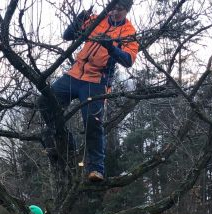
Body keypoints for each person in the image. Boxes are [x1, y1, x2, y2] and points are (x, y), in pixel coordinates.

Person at [39, 0, 138, 182]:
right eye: (113, 7)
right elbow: (67, 35)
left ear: (127, 10)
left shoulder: (128, 32)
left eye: (120, 9)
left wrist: (111, 47)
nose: (115, 12)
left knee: (93, 122)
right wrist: (79, 19)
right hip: (74, 74)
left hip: (96, 81)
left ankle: (96, 169)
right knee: (45, 102)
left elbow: (128, 60)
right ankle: (66, 142)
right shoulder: (97, 19)